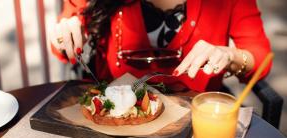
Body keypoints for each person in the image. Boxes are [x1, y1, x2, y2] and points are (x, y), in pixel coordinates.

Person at [50, 0, 272, 92]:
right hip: (113, 118)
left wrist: (229, 55)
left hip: (194, 125)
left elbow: (261, 59)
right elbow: (60, 48)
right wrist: (63, 37)